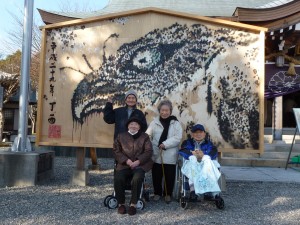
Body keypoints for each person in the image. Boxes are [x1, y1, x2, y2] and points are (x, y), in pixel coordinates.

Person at [113, 117, 153, 216]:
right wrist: (127, 161)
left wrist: (138, 161)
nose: (133, 126)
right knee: (118, 178)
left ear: (139, 127)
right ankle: (121, 203)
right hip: (124, 165)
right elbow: (116, 150)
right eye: (131, 124)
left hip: (139, 165)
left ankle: (133, 204)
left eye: (136, 124)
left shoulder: (145, 137)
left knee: (137, 178)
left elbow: (148, 151)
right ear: (128, 126)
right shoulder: (120, 136)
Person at [146, 99, 182, 203]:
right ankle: (157, 193)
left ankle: (168, 194)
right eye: (162, 110)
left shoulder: (175, 124)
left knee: (169, 176)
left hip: (170, 154)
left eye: (167, 110)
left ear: (170, 111)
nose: (164, 112)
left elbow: (177, 138)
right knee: (156, 175)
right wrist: (149, 145)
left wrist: (165, 144)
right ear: (159, 110)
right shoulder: (154, 123)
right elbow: (148, 135)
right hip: (156, 153)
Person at [179, 124, 221, 200]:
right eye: (196, 132)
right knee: (193, 162)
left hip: (204, 163)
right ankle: (193, 191)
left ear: (204, 133)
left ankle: (209, 191)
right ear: (192, 134)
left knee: (208, 162)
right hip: (192, 163)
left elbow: (214, 151)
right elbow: (183, 150)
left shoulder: (208, 143)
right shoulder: (187, 142)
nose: (198, 134)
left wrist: (204, 154)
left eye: (200, 132)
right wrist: (191, 153)